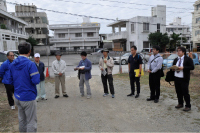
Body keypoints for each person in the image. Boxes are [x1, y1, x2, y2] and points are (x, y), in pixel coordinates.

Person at [8, 42, 40, 132]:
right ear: (29, 51)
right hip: (28, 97)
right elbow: (36, 80)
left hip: (17, 96)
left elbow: (9, 80)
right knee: (31, 121)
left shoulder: (12, 64)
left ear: (18, 51)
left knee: (22, 120)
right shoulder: (30, 64)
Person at [172, 47, 194, 111]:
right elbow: (173, 66)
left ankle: (188, 105)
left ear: (183, 52)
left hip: (184, 78)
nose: (178, 52)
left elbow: (192, 67)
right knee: (178, 91)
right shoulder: (176, 59)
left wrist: (183, 67)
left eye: (179, 51)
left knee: (185, 92)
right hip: (176, 77)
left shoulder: (188, 59)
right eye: (177, 51)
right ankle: (180, 103)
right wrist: (173, 68)